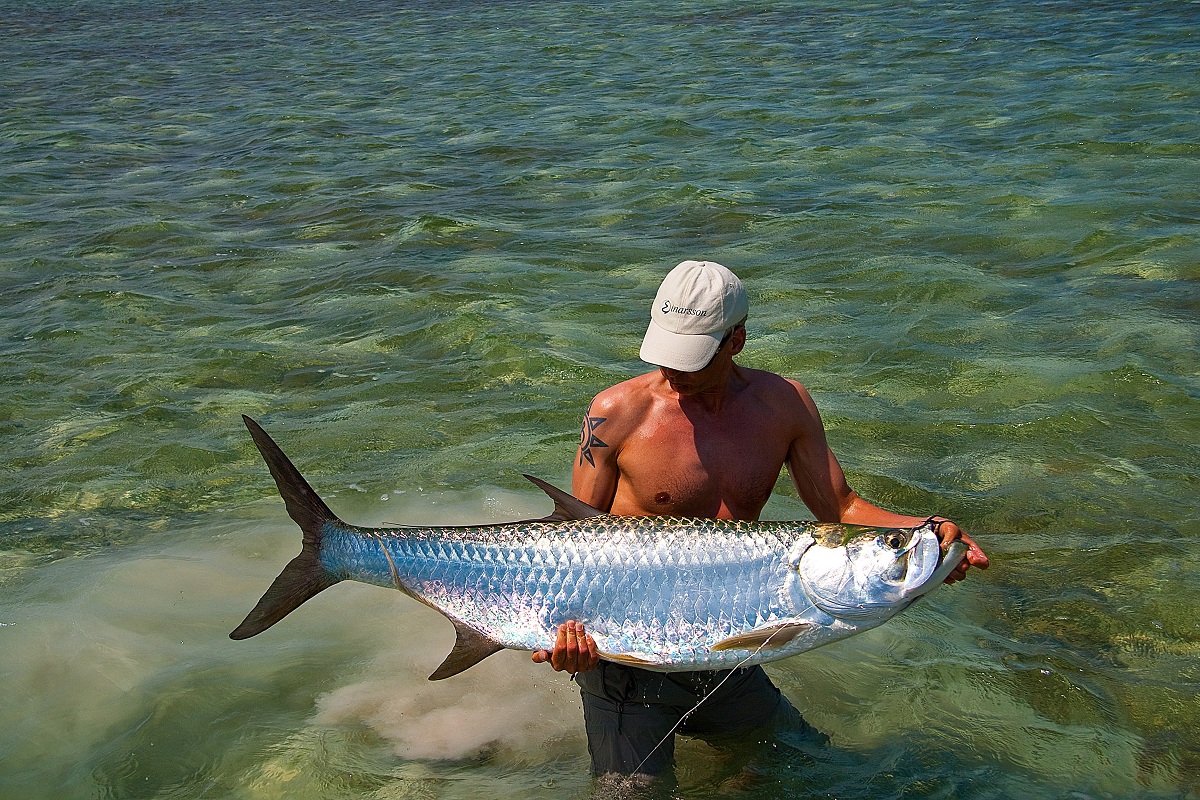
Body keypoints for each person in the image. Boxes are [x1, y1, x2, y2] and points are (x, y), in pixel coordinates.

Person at [531, 260, 989, 780]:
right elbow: (571, 545)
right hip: (625, 660)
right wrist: (565, 638)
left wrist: (925, 535)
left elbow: (840, 509)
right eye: (666, 351)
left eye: (692, 356)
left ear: (737, 339)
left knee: (801, 770)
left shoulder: (784, 405)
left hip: (732, 648)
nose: (674, 371)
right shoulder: (616, 411)